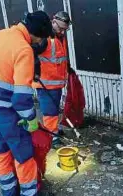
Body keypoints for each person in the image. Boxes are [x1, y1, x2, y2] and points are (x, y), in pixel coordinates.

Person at [0, 11, 54, 196]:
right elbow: (21, 98)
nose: (41, 43)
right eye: (43, 38)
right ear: (37, 35)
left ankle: (9, 195)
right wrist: (30, 120)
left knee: (2, 151)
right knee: (24, 154)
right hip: (8, 111)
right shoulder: (24, 50)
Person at [32, 11, 72, 145]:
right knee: (49, 112)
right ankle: (52, 138)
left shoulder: (60, 37)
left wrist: (68, 68)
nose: (62, 31)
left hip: (56, 84)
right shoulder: (44, 38)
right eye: (60, 28)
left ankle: (54, 129)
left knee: (54, 110)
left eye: (64, 29)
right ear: (53, 21)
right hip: (46, 84)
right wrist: (35, 71)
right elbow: (31, 54)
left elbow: (61, 57)